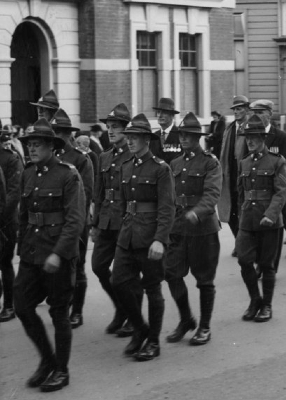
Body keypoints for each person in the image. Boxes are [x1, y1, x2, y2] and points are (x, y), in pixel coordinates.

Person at [15, 118, 85, 392]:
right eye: (29, 144)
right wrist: (22, 248)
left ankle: (61, 370)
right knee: (22, 306)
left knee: (58, 313)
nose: (32, 149)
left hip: (58, 255)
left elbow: (75, 220)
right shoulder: (28, 173)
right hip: (33, 254)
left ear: (51, 147)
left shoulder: (68, 174)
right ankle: (47, 359)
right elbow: (23, 216)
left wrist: (58, 253)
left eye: (37, 145)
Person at [112, 113, 175, 362]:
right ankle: (140, 329)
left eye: (135, 137)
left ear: (147, 140)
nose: (130, 141)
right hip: (127, 236)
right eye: (128, 137)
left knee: (152, 288)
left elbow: (167, 207)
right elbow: (122, 202)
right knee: (119, 282)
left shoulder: (161, 168)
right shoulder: (126, 166)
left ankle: (153, 341)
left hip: (150, 237)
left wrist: (160, 239)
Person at [164, 112, 222, 345]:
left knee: (204, 280)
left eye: (188, 135)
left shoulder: (210, 162)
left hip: (203, 230)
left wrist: (197, 212)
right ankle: (186, 319)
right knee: (171, 274)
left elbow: (212, 194)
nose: (184, 138)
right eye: (181, 135)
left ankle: (205, 327)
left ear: (197, 137)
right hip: (178, 228)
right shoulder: (175, 164)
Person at [236, 114, 286, 322]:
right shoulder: (244, 163)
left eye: (254, 137)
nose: (250, 141)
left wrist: (270, 215)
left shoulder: (277, 161)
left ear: (263, 138)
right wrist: (241, 214)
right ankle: (254, 300)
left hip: (269, 221)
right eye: (247, 137)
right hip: (248, 220)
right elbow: (241, 192)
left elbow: (281, 191)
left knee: (267, 265)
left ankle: (267, 305)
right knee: (244, 260)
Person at [91, 103, 137, 337]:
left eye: (116, 127)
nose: (111, 131)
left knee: (125, 273)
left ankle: (132, 316)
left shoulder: (133, 156)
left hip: (126, 221)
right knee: (98, 266)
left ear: (127, 131)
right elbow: (99, 192)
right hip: (107, 221)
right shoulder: (104, 156)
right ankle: (121, 307)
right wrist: (95, 223)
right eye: (109, 127)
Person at [50, 109, 94, 329]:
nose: (57, 135)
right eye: (54, 131)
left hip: (75, 222)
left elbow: (85, 194)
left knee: (77, 266)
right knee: (58, 267)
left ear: (68, 134)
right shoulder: (49, 158)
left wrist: (72, 223)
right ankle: (62, 305)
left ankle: (77, 311)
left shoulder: (80, 159)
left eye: (61, 132)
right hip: (52, 224)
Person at [249, 100, 286, 271]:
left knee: (274, 229)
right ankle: (261, 262)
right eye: (254, 112)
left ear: (269, 113)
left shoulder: (280, 136)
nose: (257, 116)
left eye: (260, 112)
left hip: (275, 190)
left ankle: (270, 265)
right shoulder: (250, 134)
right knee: (257, 229)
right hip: (257, 190)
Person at [218, 95, 250, 257]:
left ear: (247, 110)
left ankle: (243, 244)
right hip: (229, 176)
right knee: (230, 213)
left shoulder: (251, 127)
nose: (237, 112)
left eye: (240, 109)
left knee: (243, 211)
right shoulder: (229, 129)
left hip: (244, 177)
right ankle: (239, 240)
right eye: (235, 109)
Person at [0, 127, 22, 322]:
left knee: (5, 262)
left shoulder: (10, 159)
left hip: (5, 221)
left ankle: (9, 305)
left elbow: (14, 193)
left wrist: (1, 218)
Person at [150, 97, 183, 164]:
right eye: (158, 112)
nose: (160, 115)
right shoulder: (154, 136)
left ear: (172, 115)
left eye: (164, 112)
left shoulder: (180, 135)